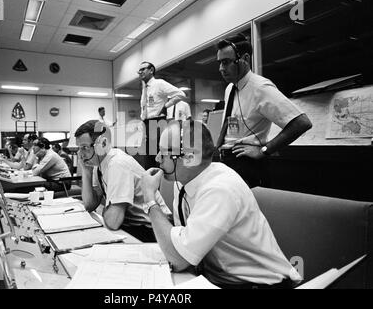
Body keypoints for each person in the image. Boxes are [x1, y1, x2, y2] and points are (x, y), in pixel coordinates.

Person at [141, 120, 302, 289]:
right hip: (216, 279)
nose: (157, 158)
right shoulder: (183, 181)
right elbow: (180, 247)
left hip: (258, 285)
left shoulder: (219, 189)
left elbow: (180, 260)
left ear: (189, 157)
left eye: (164, 153)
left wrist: (150, 200)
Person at [214, 34, 312, 187]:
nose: (221, 68)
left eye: (226, 62)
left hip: (247, 165)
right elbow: (234, 124)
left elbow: (301, 123)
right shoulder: (230, 88)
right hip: (228, 161)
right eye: (220, 63)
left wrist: (264, 150)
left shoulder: (260, 87)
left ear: (245, 59)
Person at [74, 120, 169, 242]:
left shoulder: (117, 164)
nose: (80, 154)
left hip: (154, 231)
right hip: (133, 226)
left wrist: (107, 210)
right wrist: (86, 172)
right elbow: (89, 205)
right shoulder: (99, 165)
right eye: (79, 148)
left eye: (85, 148)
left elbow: (113, 221)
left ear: (102, 143)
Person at [138, 61, 187, 168]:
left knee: (155, 157)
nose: (140, 72)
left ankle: (158, 181)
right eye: (139, 70)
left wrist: (166, 106)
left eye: (143, 69)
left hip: (157, 122)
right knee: (149, 156)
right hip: (147, 124)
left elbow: (181, 94)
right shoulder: (145, 87)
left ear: (151, 70)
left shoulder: (159, 83)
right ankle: (151, 181)